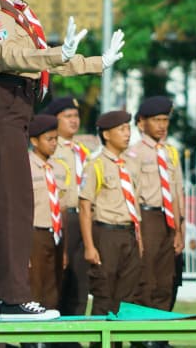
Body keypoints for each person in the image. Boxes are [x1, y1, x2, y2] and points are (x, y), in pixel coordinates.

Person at [0, 0, 124, 320]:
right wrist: (56, 53)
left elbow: (42, 59)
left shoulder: (16, 9)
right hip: (3, 106)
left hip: (14, 109)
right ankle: (14, 299)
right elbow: (10, 53)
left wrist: (94, 62)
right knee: (16, 207)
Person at [80, 110, 142, 318]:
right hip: (106, 234)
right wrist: (89, 246)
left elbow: (134, 203)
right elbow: (85, 206)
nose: (127, 134)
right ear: (106, 134)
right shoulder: (95, 165)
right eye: (121, 129)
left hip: (128, 233)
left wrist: (138, 237)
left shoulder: (130, 165)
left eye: (128, 129)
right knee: (104, 295)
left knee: (127, 297)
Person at [125, 96, 183, 313]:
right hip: (147, 218)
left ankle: (160, 334)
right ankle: (142, 334)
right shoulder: (135, 153)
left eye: (165, 120)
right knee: (146, 277)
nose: (162, 125)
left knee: (166, 279)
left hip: (168, 218)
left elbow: (176, 192)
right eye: (157, 120)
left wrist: (179, 230)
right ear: (142, 123)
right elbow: (132, 195)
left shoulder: (170, 153)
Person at [44, 95, 96, 317]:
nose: (74, 120)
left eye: (75, 116)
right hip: (59, 219)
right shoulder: (50, 150)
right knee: (57, 278)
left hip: (83, 218)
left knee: (80, 281)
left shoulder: (84, 152)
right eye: (67, 116)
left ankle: (75, 332)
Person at [27, 114, 68, 311]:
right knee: (35, 285)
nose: (54, 144)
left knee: (54, 285)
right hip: (34, 232)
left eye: (56, 139)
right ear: (34, 141)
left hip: (56, 234)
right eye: (49, 139)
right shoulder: (25, 166)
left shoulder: (58, 168)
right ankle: (32, 340)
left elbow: (63, 205)